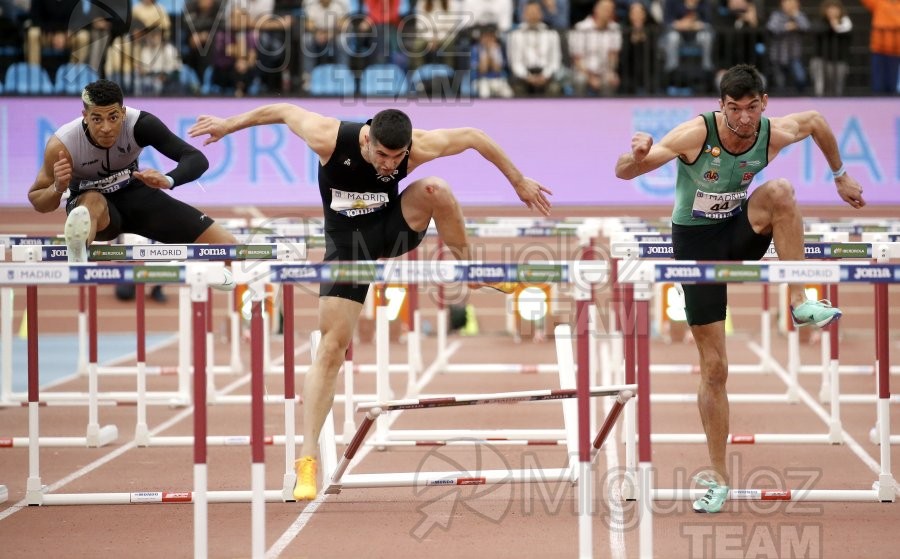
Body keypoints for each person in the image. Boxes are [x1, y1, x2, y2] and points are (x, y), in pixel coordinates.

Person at [187, 104, 553, 500]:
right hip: (348, 246)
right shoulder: (329, 136)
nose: (388, 165)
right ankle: (307, 461)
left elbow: (474, 137)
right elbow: (280, 111)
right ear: (367, 139)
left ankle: (471, 269)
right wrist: (227, 124)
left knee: (436, 189)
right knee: (331, 348)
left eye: (397, 158)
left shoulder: (417, 148)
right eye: (382, 155)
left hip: (392, 229)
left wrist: (518, 180)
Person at [614, 64, 865, 513]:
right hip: (696, 246)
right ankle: (718, 479)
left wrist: (840, 173)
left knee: (782, 192)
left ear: (764, 104)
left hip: (739, 229)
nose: (744, 119)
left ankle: (800, 303)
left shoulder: (772, 133)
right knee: (714, 369)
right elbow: (623, 173)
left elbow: (817, 122)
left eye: (752, 108)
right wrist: (637, 153)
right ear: (721, 106)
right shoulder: (696, 133)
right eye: (734, 109)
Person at [26, 79, 238, 279]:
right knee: (91, 202)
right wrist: (57, 187)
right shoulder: (63, 143)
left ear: (123, 113)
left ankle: (225, 293)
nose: (106, 127)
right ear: (85, 116)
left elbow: (196, 158)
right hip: (96, 211)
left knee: (228, 246)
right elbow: (38, 200)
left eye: (113, 117)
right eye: (97, 119)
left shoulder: (140, 124)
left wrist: (168, 179)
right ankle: (78, 255)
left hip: (137, 196)